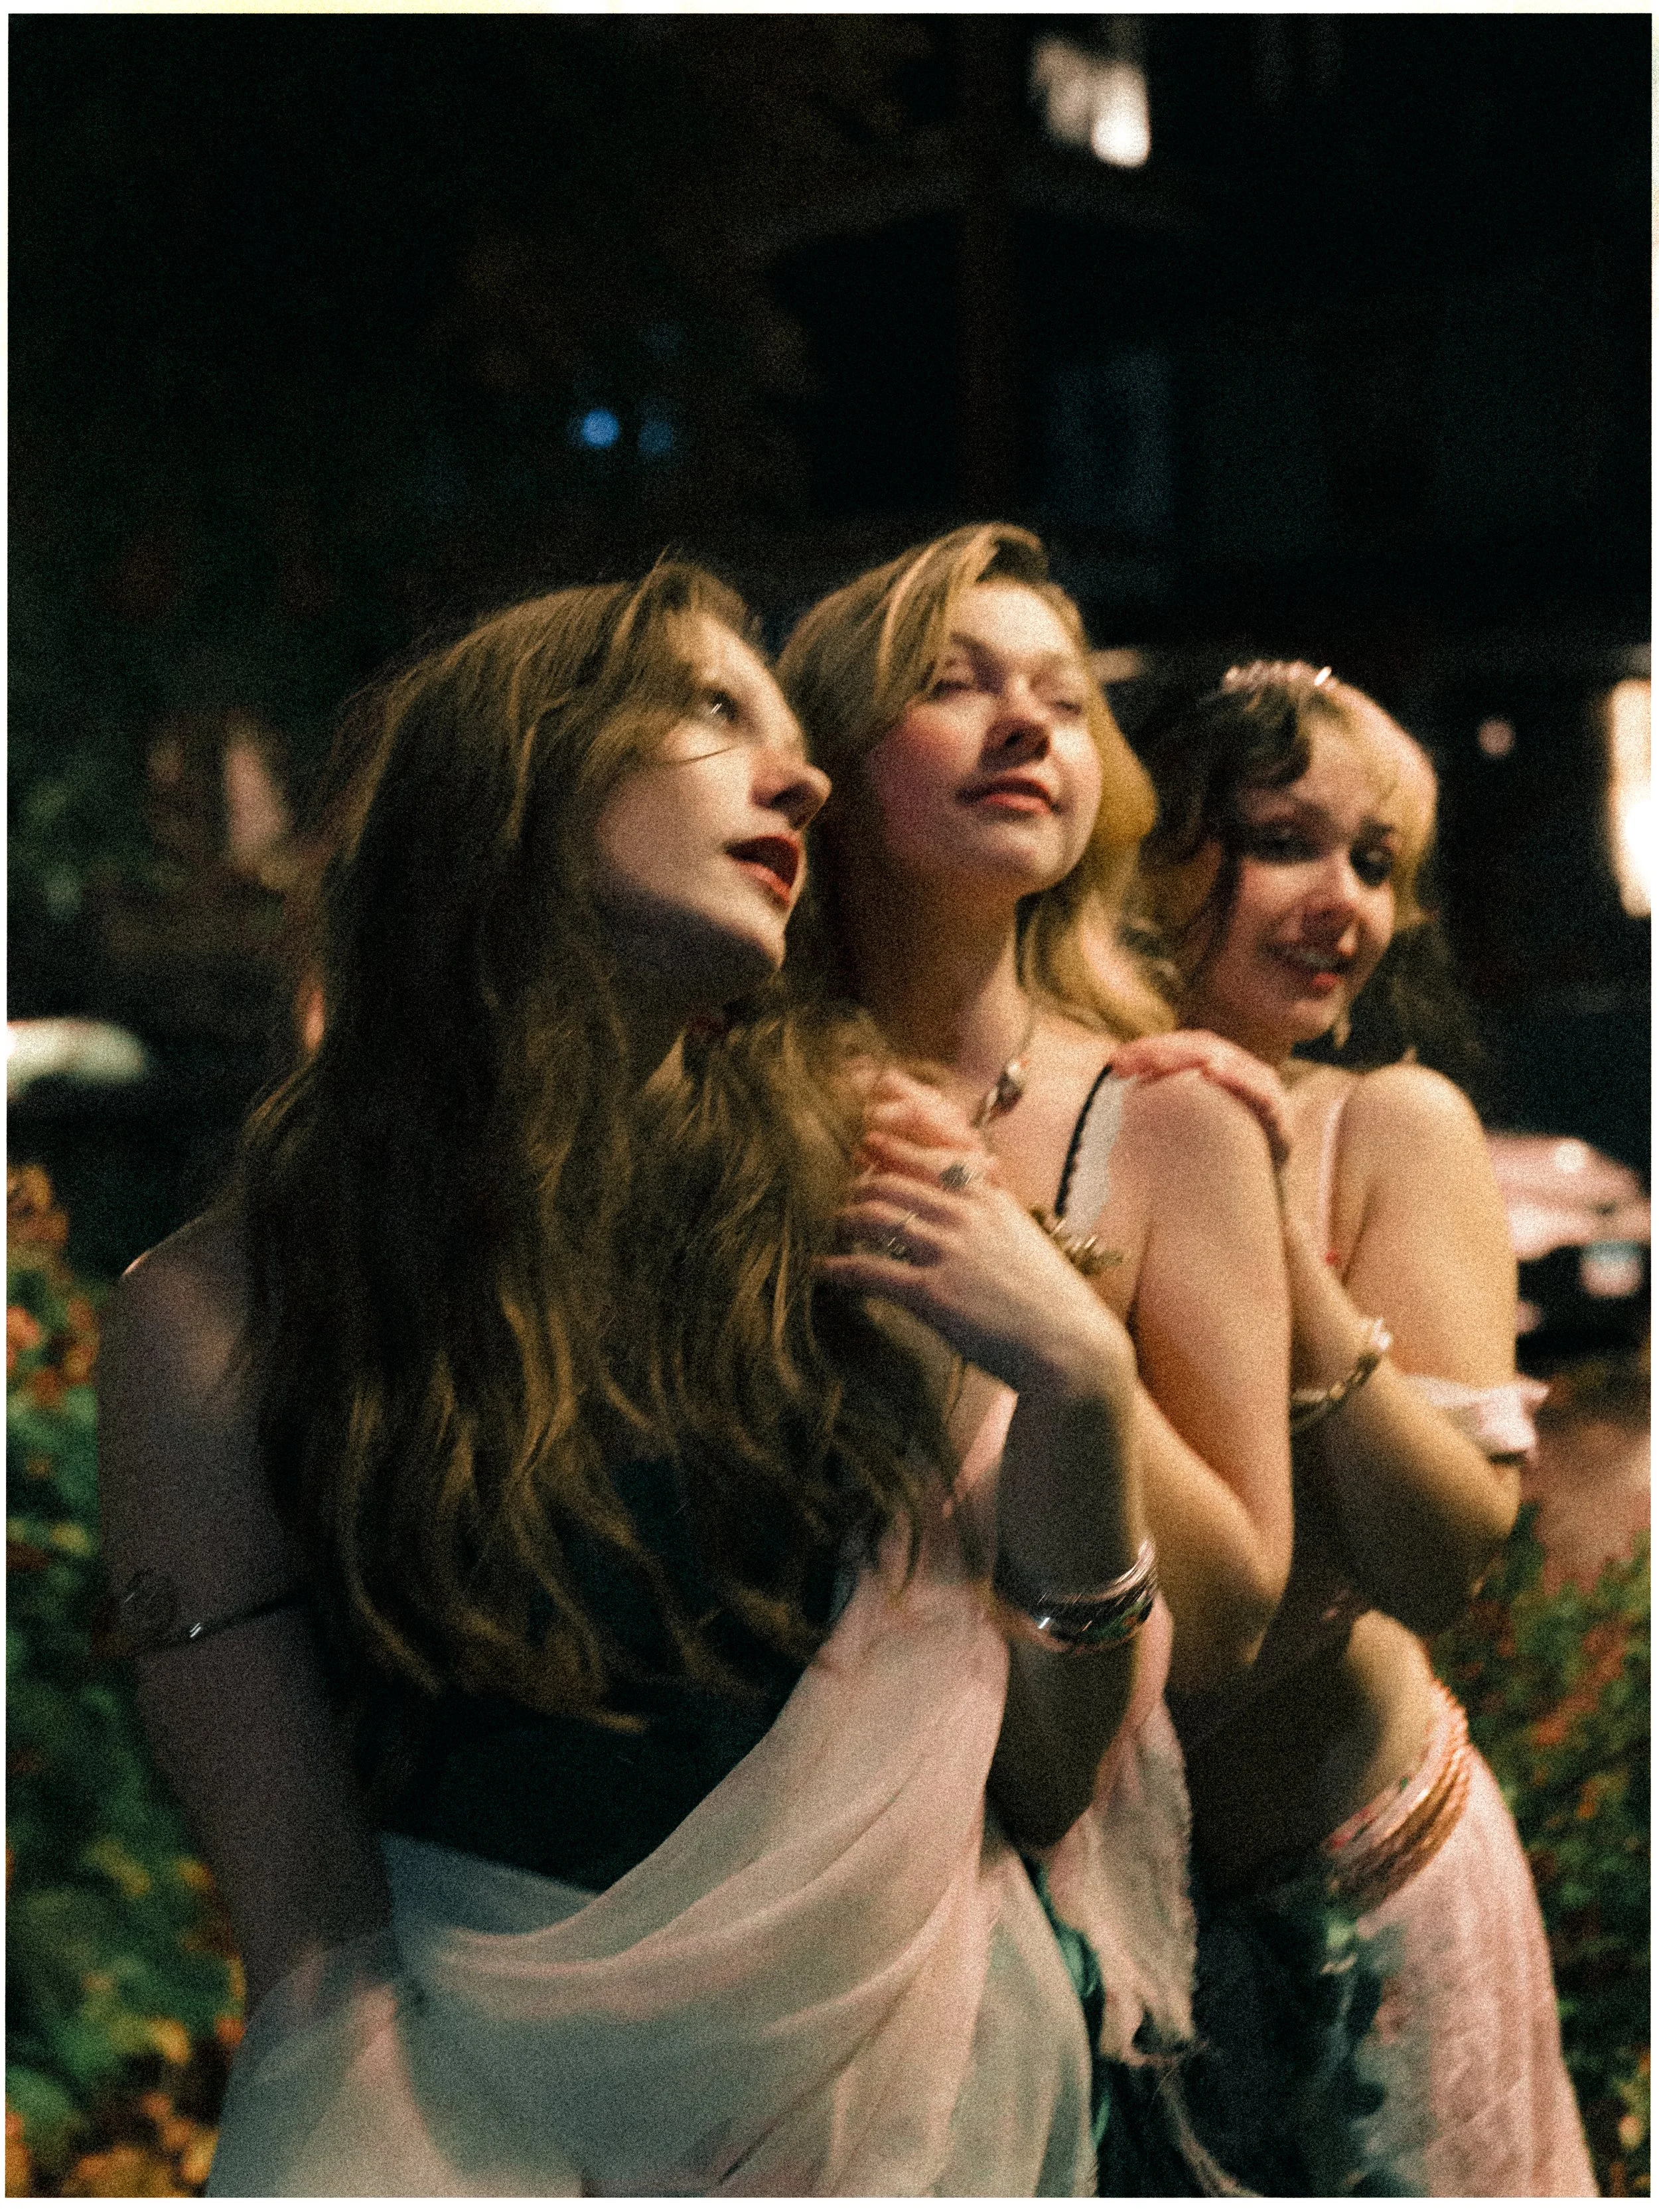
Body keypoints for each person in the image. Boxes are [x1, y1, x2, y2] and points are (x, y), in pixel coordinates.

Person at [96, 564, 1155, 2196]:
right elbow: (318, 1953)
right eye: (716, 711)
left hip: (910, 2110)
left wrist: (1084, 1385)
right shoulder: (218, 1312)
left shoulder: (876, 1189)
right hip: (460, 2129)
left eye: (798, 739)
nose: (796, 775)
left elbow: (1041, 1769)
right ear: (514, 778)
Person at [777, 525, 1294, 2183]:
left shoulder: (1165, 1120)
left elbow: (1223, 1614)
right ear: (823, 768)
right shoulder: (727, 1089)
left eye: (1061, 701)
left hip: (1028, 1892)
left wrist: (1051, 1325)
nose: (1024, 725)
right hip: (756, 1853)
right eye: (954, 683)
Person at [1114, 658, 1596, 2194]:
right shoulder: (1051, 1109)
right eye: (1281, 841)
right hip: (1118, 1935)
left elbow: (1447, 1557)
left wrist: (1273, 1238)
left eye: (1374, 863)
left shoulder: (1388, 1124)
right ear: (1149, 848)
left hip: (1369, 1892)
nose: (1341, 902)